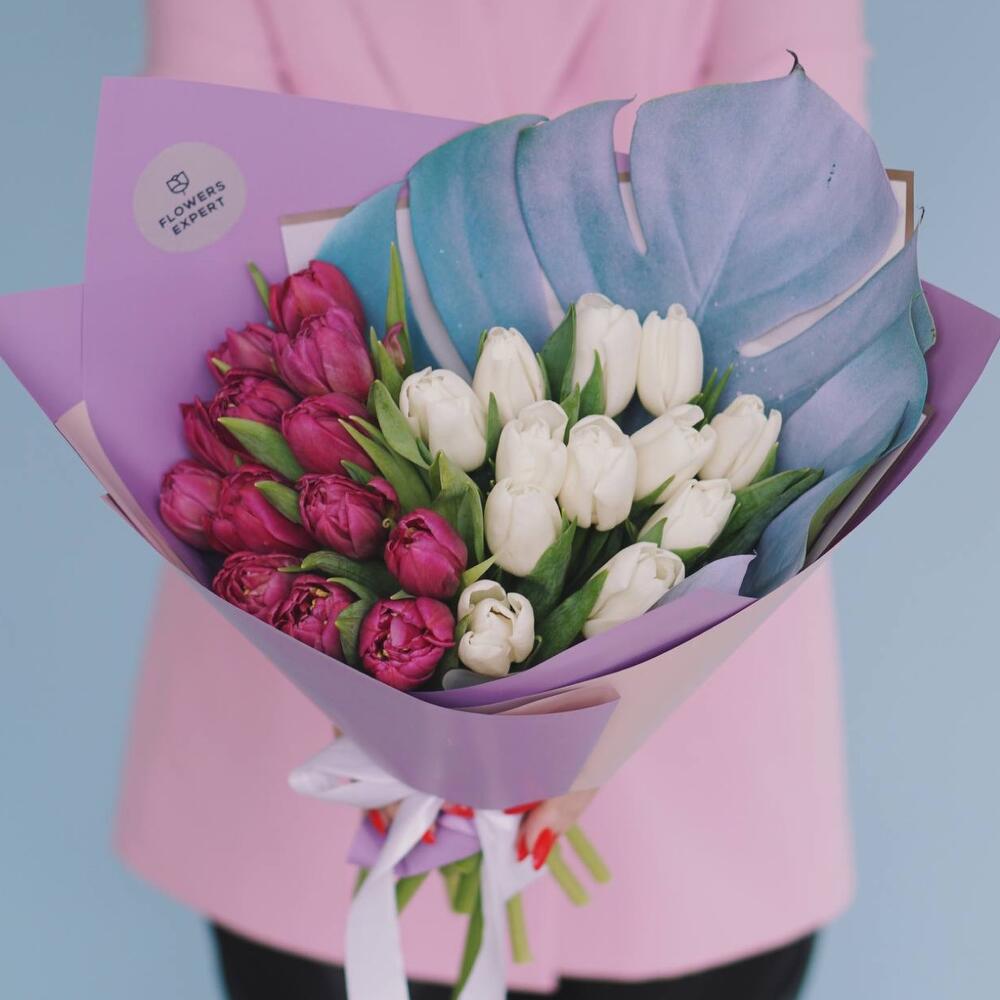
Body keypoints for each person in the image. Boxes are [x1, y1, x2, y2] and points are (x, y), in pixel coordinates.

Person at [124, 1, 869, 996]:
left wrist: (595, 711)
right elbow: (200, 256)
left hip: (687, 755)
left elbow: (815, 236)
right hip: (311, 720)